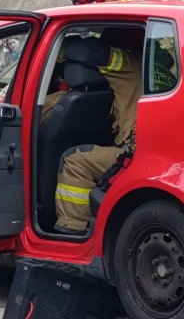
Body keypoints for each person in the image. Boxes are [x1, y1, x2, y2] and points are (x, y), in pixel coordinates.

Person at [54, 36, 141, 234]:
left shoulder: (129, 65)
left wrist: (56, 49)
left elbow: (88, 51)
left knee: (74, 160)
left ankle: (72, 228)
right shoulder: (160, 65)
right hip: (158, 150)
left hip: (138, 154)